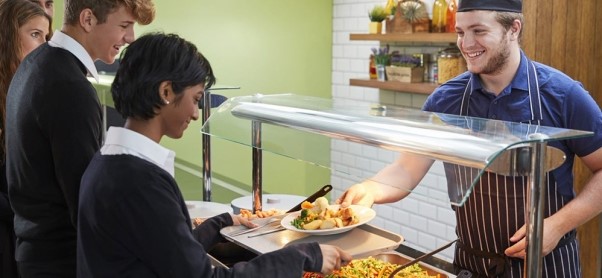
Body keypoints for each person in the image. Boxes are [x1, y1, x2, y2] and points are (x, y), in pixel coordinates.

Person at [337, 0, 602, 277]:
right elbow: (406, 168)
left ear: (513, 29)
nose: (466, 43)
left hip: (546, 265)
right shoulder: (445, 99)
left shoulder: (564, 94)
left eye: (478, 31)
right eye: (461, 32)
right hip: (471, 265)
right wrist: (371, 188)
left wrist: (558, 225)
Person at [76, 32, 351, 277]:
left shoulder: (109, 161)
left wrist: (220, 222)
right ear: (166, 92)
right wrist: (305, 256)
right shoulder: (139, 181)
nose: (196, 114)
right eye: (195, 99)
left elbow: (166, 249)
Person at [5, 0, 155, 277]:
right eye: (124, 25)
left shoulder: (36, 63)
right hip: (61, 262)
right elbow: (85, 201)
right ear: (87, 19)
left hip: (33, 252)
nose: (130, 38)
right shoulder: (70, 87)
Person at [0, 1, 51, 277]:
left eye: (46, 37)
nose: (44, 45)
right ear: (7, 35)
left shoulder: (21, 91)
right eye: (35, 35)